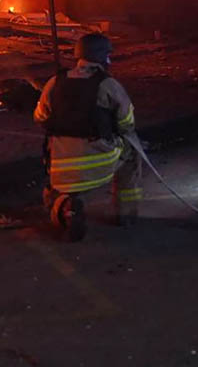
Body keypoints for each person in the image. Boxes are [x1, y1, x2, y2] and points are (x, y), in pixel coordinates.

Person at [34, 33, 141, 241]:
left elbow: (40, 117)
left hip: (60, 163)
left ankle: (59, 205)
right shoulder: (107, 84)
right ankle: (125, 214)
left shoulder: (55, 81)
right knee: (132, 157)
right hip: (98, 158)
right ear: (103, 57)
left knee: (56, 183)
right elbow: (127, 121)